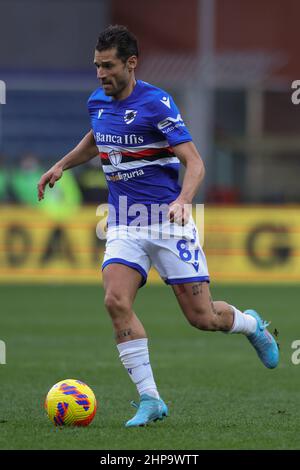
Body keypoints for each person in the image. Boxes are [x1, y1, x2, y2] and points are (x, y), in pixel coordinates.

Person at [37, 25, 279, 428]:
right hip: (124, 223)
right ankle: (150, 399)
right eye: (96, 66)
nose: (100, 74)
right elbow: (97, 139)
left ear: (131, 63)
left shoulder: (157, 104)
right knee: (116, 301)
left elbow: (196, 162)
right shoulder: (98, 101)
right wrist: (61, 165)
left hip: (169, 223)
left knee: (202, 317)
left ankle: (252, 325)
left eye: (108, 66)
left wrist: (184, 201)